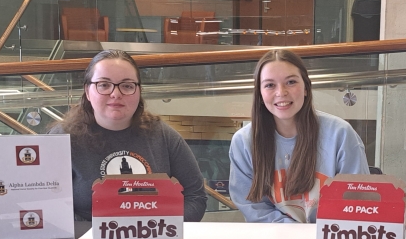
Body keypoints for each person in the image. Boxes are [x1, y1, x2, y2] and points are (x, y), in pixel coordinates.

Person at [49, 49, 206, 221]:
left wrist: (161, 229)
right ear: (87, 91)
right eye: (104, 84)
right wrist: (98, 237)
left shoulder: (163, 136)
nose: (116, 94)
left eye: (127, 86)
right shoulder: (61, 139)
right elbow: (48, 206)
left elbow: (195, 197)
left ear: (139, 92)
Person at [229, 49, 369, 223]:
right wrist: (292, 233)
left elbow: (356, 201)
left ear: (305, 88)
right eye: (270, 85)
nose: (281, 92)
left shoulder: (341, 134)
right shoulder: (244, 141)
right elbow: (253, 207)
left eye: (291, 82)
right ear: (259, 93)